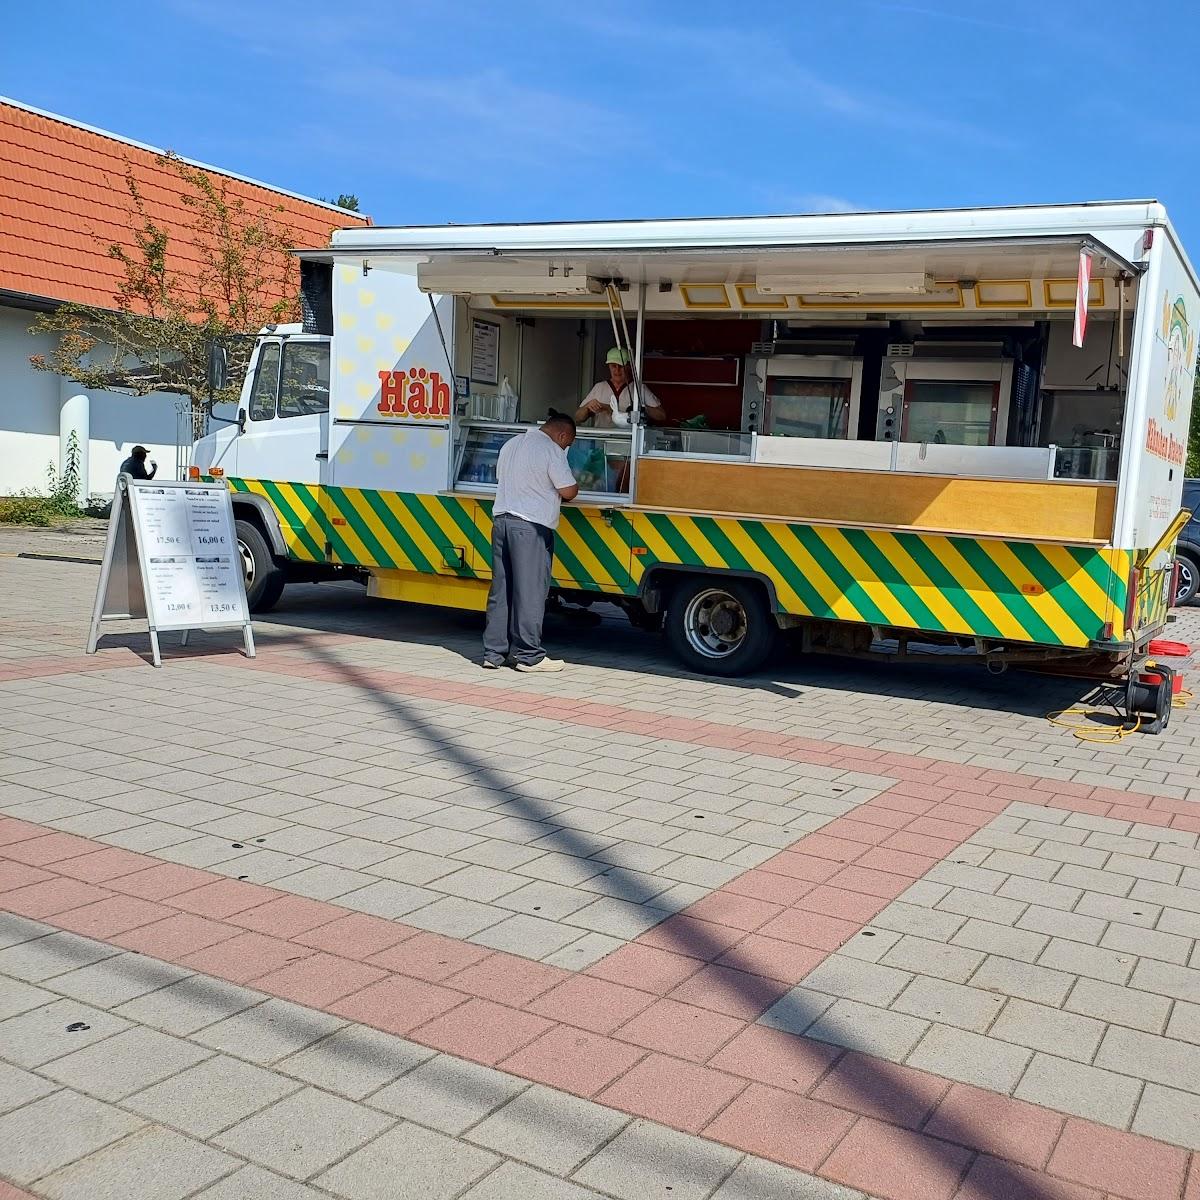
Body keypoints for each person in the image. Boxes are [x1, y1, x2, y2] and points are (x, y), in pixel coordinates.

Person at [483, 413, 579, 672]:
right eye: (567, 442)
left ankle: (493, 653)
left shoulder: (512, 443)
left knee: (501, 590)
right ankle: (528, 656)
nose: (566, 447)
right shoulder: (551, 450)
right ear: (561, 435)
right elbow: (568, 490)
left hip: (501, 522)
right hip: (530, 528)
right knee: (530, 593)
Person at [575, 348, 666, 428]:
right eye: (613, 366)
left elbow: (661, 415)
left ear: (629, 366)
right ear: (609, 366)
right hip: (602, 442)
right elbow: (578, 418)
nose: (617, 370)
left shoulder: (639, 388)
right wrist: (587, 407)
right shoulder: (599, 387)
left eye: (621, 366)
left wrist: (641, 408)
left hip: (630, 441)